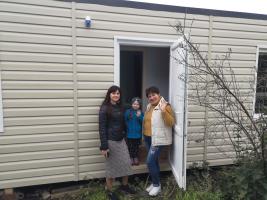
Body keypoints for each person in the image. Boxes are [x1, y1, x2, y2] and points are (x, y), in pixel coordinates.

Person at [98, 85, 135, 200]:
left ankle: (124, 186)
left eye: (118, 93)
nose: (116, 95)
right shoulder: (104, 108)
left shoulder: (121, 107)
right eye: (114, 93)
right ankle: (109, 191)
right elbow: (102, 128)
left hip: (121, 139)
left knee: (126, 163)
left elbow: (132, 107)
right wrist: (104, 146)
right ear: (109, 94)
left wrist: (137, 108)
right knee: (111, 168)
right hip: (110, 141)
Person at [143, 86, 175, 196]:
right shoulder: (149, 106)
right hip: (148, 138)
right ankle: (155, 182)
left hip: (158, 139)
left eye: (153, 94)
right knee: (154, 161)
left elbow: (171, 122)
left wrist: (163, 111)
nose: (151, 97)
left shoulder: (165, 105)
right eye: (149, 96)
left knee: (150, 161)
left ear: (159, 94)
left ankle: (157, 185)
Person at [124, 97, 144, 166]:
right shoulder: (128, 111)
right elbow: (125, 120)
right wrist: (128, 127)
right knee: (130, 147)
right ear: (131, 104)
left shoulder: (140, 112)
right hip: (129, 134)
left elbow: (143, 122)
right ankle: (131, 158)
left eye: (137, 104)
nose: (135, 105)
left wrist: (139, 116)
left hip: (137, 135)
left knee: (136, 147)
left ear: (139, 105)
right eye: (134, 104)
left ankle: (135, 157)